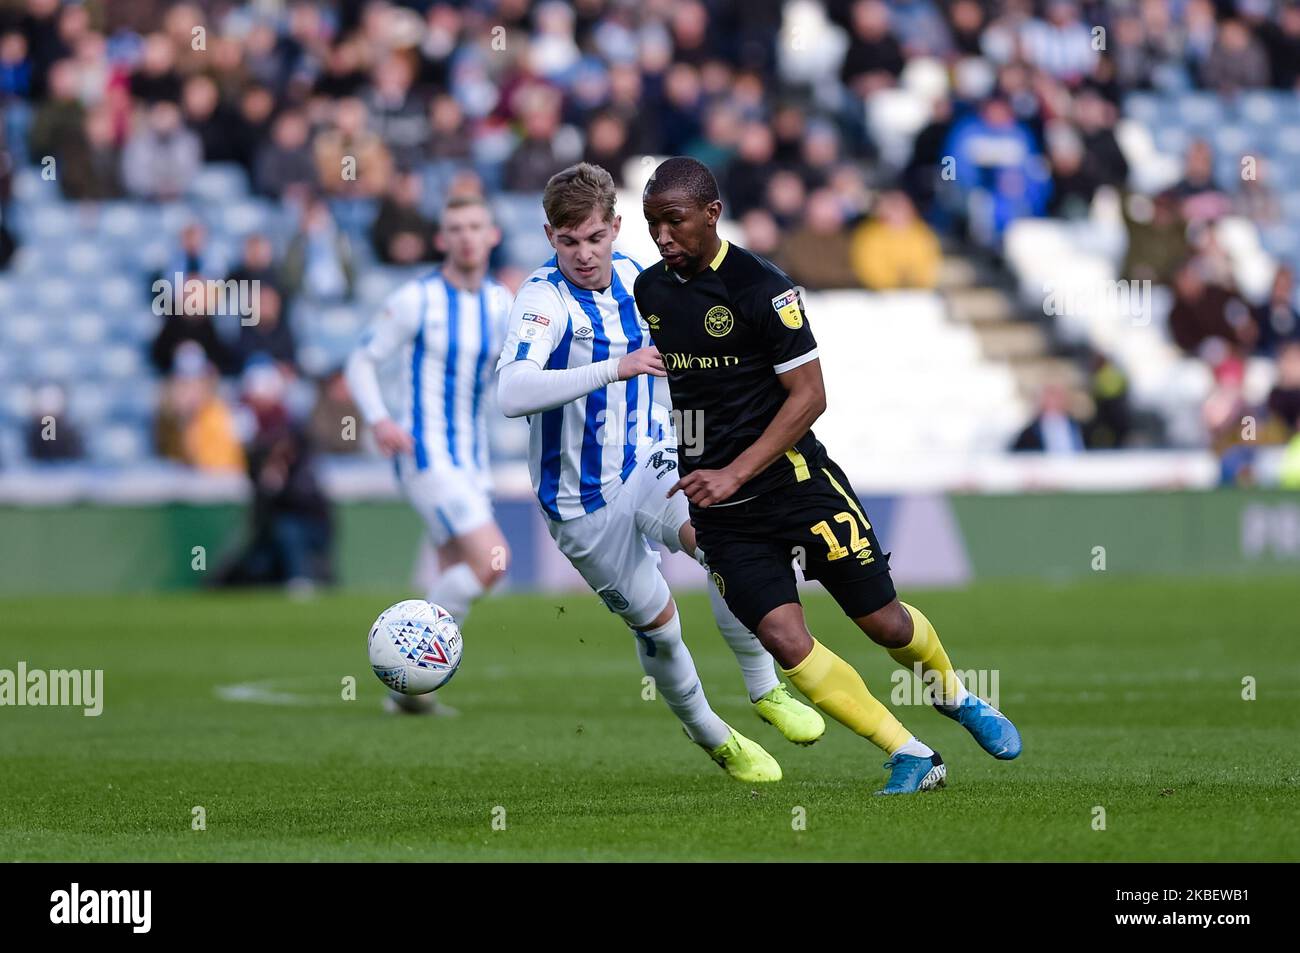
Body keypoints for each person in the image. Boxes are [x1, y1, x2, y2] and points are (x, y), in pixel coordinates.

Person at [635, 157, 1021, 796]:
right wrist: (697, 463)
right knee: (787, 641)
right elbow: (690, 394)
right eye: (653, 225)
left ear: (712, 214)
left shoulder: (764, 289)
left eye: (673, 222)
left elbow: (809, 397)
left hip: (797, 485)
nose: (663, 237)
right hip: (725, 513)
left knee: (885, 624)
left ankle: (954, 697)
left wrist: (732, 470)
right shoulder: (651, 293)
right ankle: (911, 753)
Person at [494, 163, 824, 784]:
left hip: (648, 460)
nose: (584, 254)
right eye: (568, 242)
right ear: (549, 237)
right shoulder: (541, 300)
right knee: (662, 630)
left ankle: (763, 688)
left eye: (595, 237)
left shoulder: (641, 280)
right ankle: (713, 736)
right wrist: (615, 368)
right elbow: (512, 392)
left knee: (724, 544)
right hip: (580, 502)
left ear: (616, 227)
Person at [345, 195, 513, 715]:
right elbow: (361, 360)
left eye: (475, 226)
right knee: (491, 560)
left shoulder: (501, 305)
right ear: (441, 239)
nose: (465, 236)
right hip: (425, 454)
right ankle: (404, 661)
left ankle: (411, 694)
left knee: (450, 571)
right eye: (455, 227)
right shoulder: (418, 299)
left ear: (491, 236)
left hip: (471, 458)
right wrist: (378, 418)